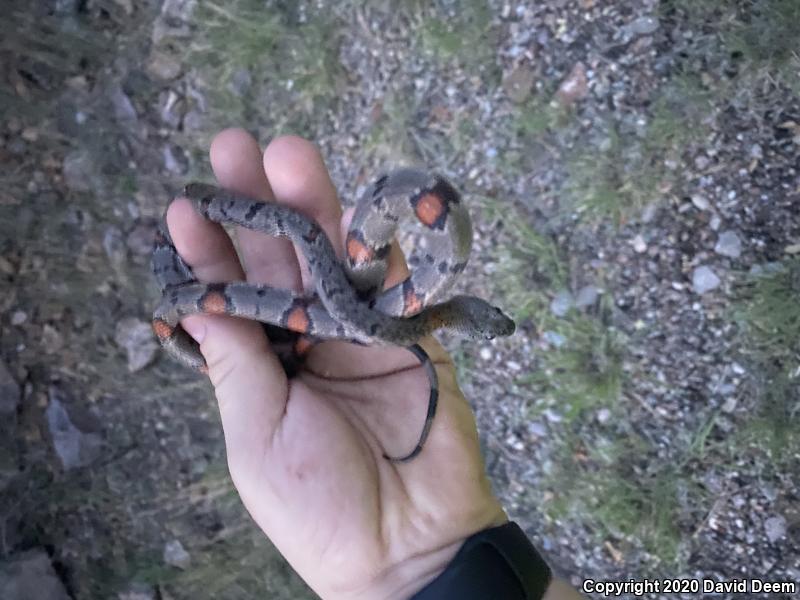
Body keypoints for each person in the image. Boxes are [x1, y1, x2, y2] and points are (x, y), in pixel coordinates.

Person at [166, 128, 583, 599]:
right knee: (294, 229)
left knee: (304, 234)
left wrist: (424, 564)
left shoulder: (424, 302)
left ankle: (188, 247)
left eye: (489, 324)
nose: (493, 326)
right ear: (455, 319)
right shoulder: (423, 299)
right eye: (489, 325)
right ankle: (185, 230)